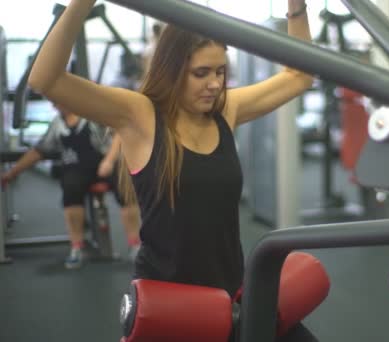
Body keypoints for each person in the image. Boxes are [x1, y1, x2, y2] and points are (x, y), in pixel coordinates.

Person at [28, 0, 316, 340]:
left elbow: (299, 76)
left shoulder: (226, 110)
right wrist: (80, 4)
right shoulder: (140, 115)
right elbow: (46, 79)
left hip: (231, 292)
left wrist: (296, 6)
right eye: (201, 73)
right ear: (173, 69)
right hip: (169, 302)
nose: (214, 84)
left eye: (220, 72)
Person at [1, 103, 141, 269]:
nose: (55, 104)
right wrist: (12, 173)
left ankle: (135, 245)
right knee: (70, 187)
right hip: (76, 169)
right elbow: (38, 151)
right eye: (53, 102)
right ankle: (77, 248)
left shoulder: (92, 115)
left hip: (103, 164)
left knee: (125, 187)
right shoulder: (56, 124)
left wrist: (109, 161)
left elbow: (119, 131)